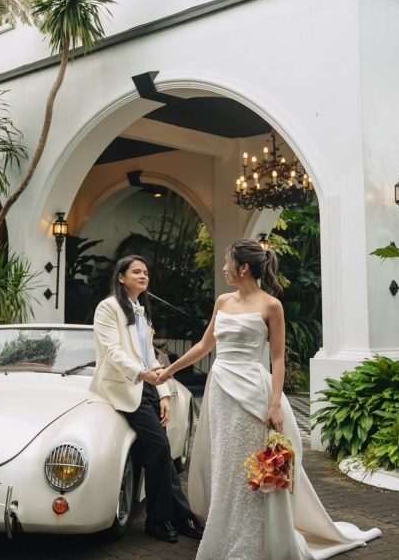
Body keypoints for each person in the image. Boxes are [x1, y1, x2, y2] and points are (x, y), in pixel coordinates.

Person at [158, 239, 381, 559]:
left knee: (253, 465)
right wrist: (169, 371)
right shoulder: (222, 301)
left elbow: (277, 359)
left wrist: (275, 403)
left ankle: (254, 540)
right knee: (225, 466)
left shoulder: (271, 306)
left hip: (253, 392)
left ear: (243, 268)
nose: (223, 268)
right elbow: (204, 346)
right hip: (220, 390)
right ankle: (224, 534)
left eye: (227, 261)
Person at [90, 255, 203, 543]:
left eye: (146, 272)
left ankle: (178, 515)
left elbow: (150, 356)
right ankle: (158, 519)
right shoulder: (108, 308)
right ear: (121, 277)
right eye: (136, 272)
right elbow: (113, 352)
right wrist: (142, 375)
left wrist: (163, 394)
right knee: (159, 447)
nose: (143, 276)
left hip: (147, 388)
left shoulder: (142, 312)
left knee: (161, 452)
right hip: (123, 387)